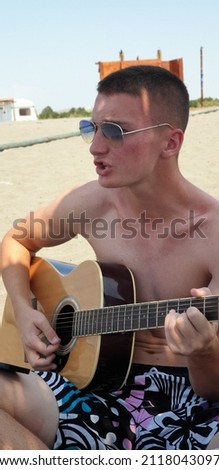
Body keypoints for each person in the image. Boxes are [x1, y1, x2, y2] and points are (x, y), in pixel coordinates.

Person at [1, 65, 219, 450]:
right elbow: (15, 243)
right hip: (87, 387)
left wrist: (203, 351)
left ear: (170, 143)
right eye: (92, 127)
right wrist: (23, 309)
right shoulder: (91, 202)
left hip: (189, 402)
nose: (95, 147)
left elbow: (212, 387)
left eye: (115, 132)